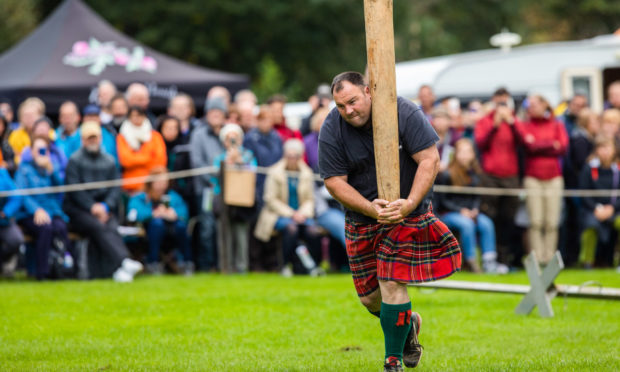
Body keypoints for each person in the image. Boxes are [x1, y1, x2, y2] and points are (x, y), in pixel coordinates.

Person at [318, 71, 461, 371]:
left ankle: (392, 361)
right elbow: (333, 182)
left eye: (353, 101)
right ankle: (407, 325)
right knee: (371, 299)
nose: (348, 110)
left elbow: (429, 160)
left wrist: (409, 203)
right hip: (362, 217)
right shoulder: (332, 126)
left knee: (391, 281)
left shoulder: (404, 111)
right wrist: (370, 209)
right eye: (341, 105)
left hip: (406, 212)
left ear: (368, 91)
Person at [63, 121, 143, 282]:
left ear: (100, 138)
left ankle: (118, 270)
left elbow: (115, 189)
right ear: (83, 140)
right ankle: (124, 261)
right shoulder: (74, 160)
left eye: (95, 137)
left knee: (112, 227)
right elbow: (74, 190)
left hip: (104, 209)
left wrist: (105, 206)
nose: (93, 141)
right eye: (89, 138)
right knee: (98, 226)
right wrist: (92, 207)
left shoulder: (109, 160)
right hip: (79, 211)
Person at [435, 138, 508, 273]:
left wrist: (475, 209)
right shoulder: (447, 174)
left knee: (486, 223)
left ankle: (489, 262)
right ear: (456, 154)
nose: (465, 155)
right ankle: (471, 261)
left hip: (470, 213)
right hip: (449, 213)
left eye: (468, 152)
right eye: (462, 152)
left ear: (473, 154)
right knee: (466, 224)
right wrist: (460, 210)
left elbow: (476, 197)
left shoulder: (475, 175)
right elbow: (443, 200)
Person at [255, 139, 322, 277]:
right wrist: (292, 214)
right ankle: (285, 266)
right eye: (289, 156)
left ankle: (314, 266)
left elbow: (310, 199)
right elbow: (270, 199)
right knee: (291, 229)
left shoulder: (306, 173)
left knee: (313, 231)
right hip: (278, 215)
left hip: (302, 215)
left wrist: (302, 213)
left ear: (299, 157)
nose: (292, 159)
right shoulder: (275, 172)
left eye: (295, 156)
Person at [474, 87, 523, 266]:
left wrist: (511, 122)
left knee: (508, 218)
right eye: (499, 100)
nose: (502, 104)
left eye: (504, 100)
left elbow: (524, 142)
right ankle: (489, 256)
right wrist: (494, 126)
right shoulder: (485, 120)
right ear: (494, 100)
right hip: (490, 176)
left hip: (510, 175)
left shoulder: (514, 120)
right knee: (489, 216)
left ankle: (504, 258)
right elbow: (480, 144)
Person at [521, 94, 569, 266]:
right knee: (535, 221)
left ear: (544, 105)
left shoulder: (557, 124)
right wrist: (550, 144)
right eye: (529, 105)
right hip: (533, 177)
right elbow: (529, 146)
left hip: (554, 177)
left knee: (552, 222)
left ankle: (549, 258)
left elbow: (562, 146)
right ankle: (536, 258)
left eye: (534, 104)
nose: (530, 108)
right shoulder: (525, 125)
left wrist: (539, 144)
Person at [15, 136, 69, 280]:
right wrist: (36, 210)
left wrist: (52, 171)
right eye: (37, 149)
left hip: (52, 211)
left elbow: (60, 191)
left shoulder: (52, 167)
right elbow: (22, 194)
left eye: (43, 149)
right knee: (46, 229)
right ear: (31, 151)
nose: (41, 153)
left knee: (61, 228)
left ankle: (60, 269)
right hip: (29, 213)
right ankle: (42, 272)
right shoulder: (23, 169)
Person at [127, 167, 192, 275]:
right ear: (151, 182)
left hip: (172, 231)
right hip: (149, 233)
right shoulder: (141, 197)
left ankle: (186, 262)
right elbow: (133, 214)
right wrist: (153, 214)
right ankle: (153, 263)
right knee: (157, 224)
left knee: (181, 226)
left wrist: (174, 214)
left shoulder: (173, 196)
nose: (162, 185)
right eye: (159, 181)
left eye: (164, 181)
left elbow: (184, 212)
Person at [243, 105, 284, 271]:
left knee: (272, 223)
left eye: (268, 119)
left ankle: (272, 262)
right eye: (262, 119)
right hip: (256, 186)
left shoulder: (276, 137)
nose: (266, 122)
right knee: (256, 224)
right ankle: (255, 263)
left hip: (274, 186)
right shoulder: (250, 138)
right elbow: (249, 162)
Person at [211, 123, 257, 273]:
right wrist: (227, 163)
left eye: (235, 138)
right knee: (224, 233)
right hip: (223, 200)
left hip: (242, 200)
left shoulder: (248, 156)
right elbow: (213, 179)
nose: (232, 142)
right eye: (228, 139)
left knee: (241, 233)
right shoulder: (219, 158)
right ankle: (226, 265)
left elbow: (253, 172)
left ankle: (242, 266)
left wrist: (239, 162)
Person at [189, 97, 226, 271]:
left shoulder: (227, 134)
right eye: (212, 112)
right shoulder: (198, 134)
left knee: (222, 228)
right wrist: (216, 178)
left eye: (219, 113)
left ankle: (221, 264)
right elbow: (197, 163)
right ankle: (205, 265)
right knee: (207, 228)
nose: (215, 116)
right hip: (206, 190)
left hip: (226, 191)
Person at [578, 137, 620, 268]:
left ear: (614, 150)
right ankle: (587, 262)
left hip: (614, 210)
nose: (605, 151)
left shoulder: (617, 169)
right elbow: (584, 194)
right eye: (602, 148)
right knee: (590, 225)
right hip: (592, 210)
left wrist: (612, 208)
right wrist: (597, 209)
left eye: (608, 148)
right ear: (596, 150)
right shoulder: (588, 168)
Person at [117, 106, 167, 193]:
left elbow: (160, 161)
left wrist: (135, 158)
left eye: (139, 115)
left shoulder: (155, 136)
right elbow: (125, 161)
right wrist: (149, 157)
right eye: (133, 116)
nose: (136, 118)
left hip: (153, 187)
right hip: (131, 187)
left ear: (144, 116)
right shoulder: (122, 137)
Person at [158, 115, 193, 206]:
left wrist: (185, 188)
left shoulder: (184, 147)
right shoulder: (155, 146)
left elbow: (189, 171)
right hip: (159, 190)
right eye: (168, 128)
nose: (171, 131)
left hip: (181, 191)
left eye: (174, 128)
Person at [0, 167, 24, 278]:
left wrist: (5, 212)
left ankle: (3, 262)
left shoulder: (3, 174)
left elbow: (16, 196)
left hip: (3, 222)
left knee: (16, 239)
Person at [8, 97, 46, 164]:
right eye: (25, 115)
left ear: (40, 117)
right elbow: (12, 156)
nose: (28, 119)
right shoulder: (15, 135)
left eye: (31, 116)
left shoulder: (46, 133)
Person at [303, 106, 330, 172]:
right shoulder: (307, 141)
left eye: (327, 121)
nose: (324, 125)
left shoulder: (338, 139)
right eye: (321, 121)